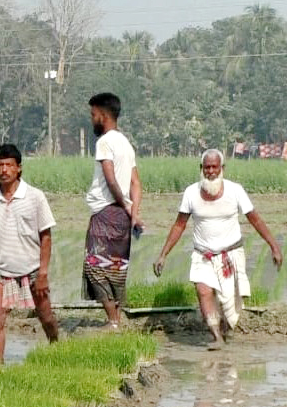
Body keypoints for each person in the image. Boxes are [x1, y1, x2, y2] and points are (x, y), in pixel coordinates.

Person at [152, 149, 282, 349]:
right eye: (207, 167)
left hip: (230, 254)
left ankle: (224, 327)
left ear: (222, 169)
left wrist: (273, 246)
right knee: (203, 290)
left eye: (214, 167)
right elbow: (179, 225)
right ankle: (216, 337)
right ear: (201, 169)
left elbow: (255, 219)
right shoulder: (191, 193)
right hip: (202, 254)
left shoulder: (235, 191)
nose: (210, 171)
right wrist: (163, 254)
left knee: (229, 302)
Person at [0, 144, 59, 364]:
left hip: (32, 269)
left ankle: (56, 347)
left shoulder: (35, 197)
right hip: (0, 270)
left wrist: (42, 273)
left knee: (46, 317)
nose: (4, 170)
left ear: (19, 168)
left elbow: (46, 236)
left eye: (9, 165)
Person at [82, 92, 144, 330]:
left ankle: (113, 322)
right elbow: (136, 184)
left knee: (95, 267)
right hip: (122, 217)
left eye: (93, 114)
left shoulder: (105, 142)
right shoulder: (126, 143)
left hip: (106, 212)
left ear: (103, 115)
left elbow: (111, 181)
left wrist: (127, 206)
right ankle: (116, 321)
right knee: (116, 266)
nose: (92, 119)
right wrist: (133, 212)